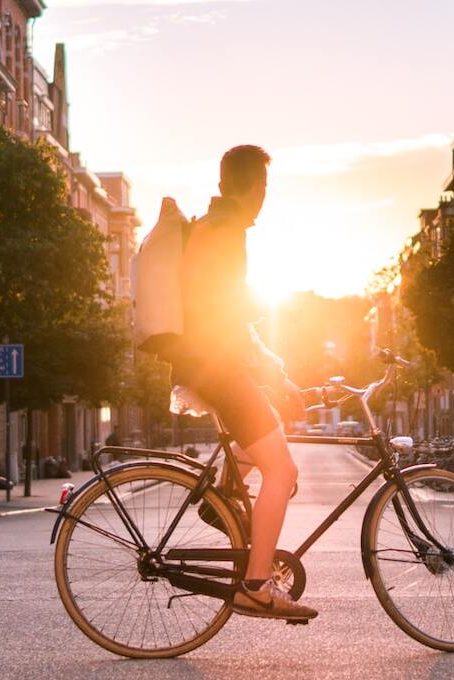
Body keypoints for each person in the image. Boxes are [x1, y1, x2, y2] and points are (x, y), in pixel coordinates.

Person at [166, 145, 315, 621]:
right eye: (265, 187)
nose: (265, 196)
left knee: (274, 423)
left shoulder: (212, 225)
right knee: (283, 472)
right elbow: (227, 314)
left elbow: (230, 314)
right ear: (252, 186)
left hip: (209, 364)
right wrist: (267, 353)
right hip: (217, 368)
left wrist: (277, 373)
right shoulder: (226, 231)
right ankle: (255, 585)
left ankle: (226, 496)